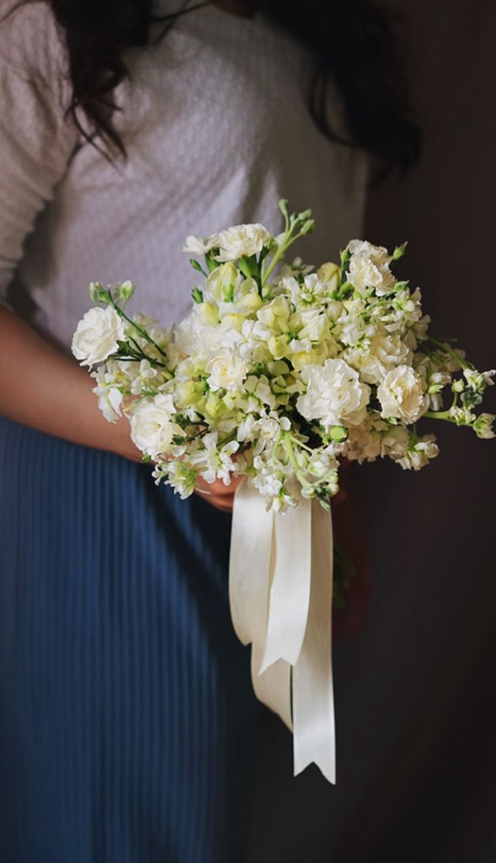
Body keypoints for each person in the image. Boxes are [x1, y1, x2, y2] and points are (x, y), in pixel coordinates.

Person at [0, 1, 419, 860]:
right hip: (98, 493)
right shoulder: (63, 24)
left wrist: (322, 498)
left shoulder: (314, 33)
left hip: (254, 512)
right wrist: (156, 434)